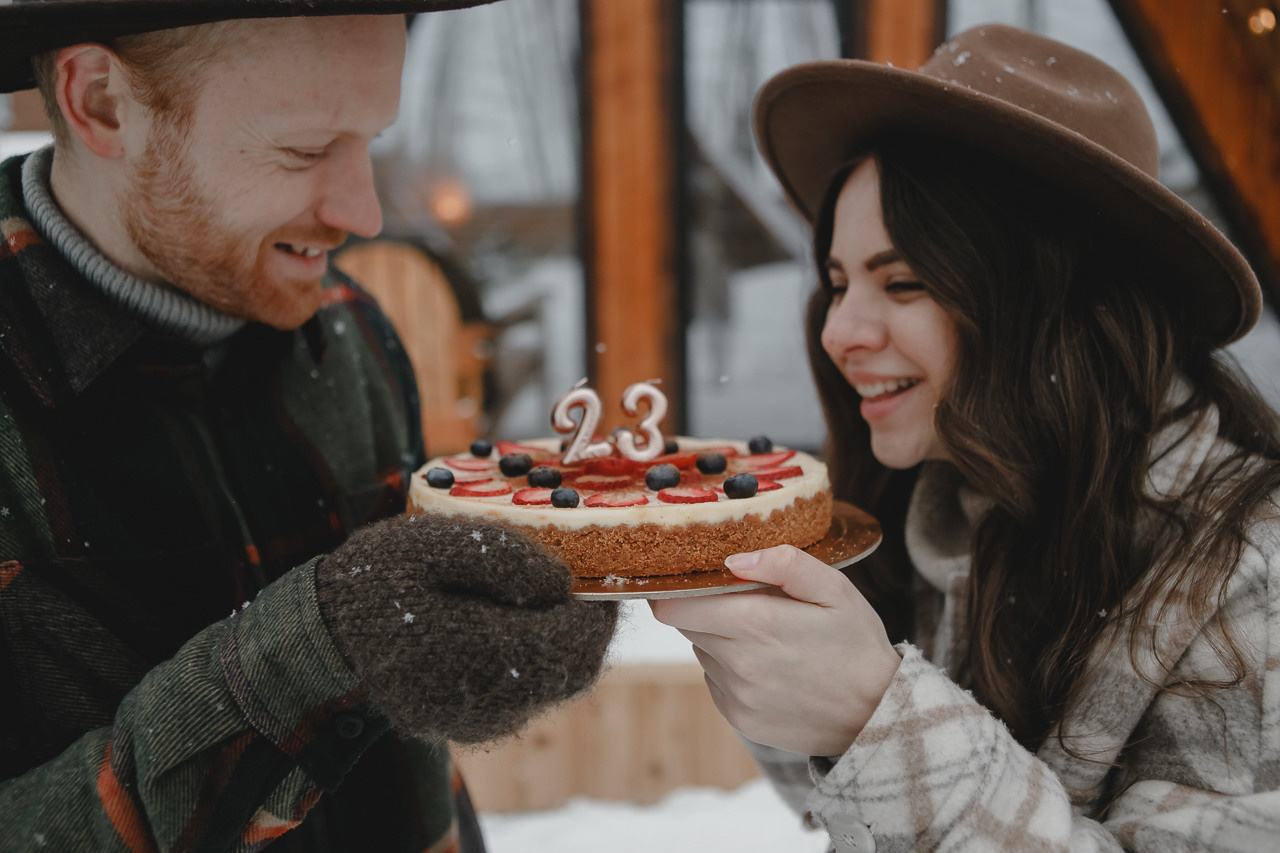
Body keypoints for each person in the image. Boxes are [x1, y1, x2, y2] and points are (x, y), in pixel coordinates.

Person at [0, 1, 617, 849]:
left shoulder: (354, 332)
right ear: (101, 101)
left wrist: (463, 642)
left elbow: (411, 764)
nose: (365, 213)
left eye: (371, 140)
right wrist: (309, 654)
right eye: (304, 150)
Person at [652, 23, 1280, 851]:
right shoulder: (935, 506)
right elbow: (846, 809)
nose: (838, 332)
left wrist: (879, 720)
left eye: (903, 281)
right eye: (837, 283)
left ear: (1060, 303)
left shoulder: (1252, 576)